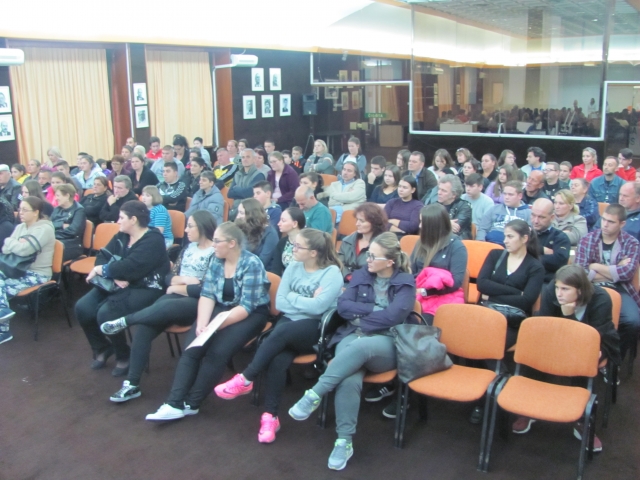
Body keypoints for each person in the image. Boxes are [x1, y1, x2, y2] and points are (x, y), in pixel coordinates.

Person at [287, 232, 415, 469]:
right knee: (348, 378)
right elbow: (343, 306)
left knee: (361, 346)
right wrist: (373, 310)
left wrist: (362, 318)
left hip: (387, 343)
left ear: (390, 261)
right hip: (352, 334)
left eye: (373, 256)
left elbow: (394, 317)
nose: (367, 260)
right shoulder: (362, 274)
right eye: (368, 254)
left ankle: (314, 393)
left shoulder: (405, 283)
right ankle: (344, 441)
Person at [214, 229, 344, 443]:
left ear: (313, 253)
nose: (292, 249)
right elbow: (281, 303)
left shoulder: (331, 273)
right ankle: (270, 417)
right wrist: (306, 301)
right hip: (289, 321)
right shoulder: (293, 267)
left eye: (298, 246)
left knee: (280, 332)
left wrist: (294, 297)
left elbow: (318, 308)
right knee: (278, 358)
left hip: (315, 327)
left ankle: (246, 378)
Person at [145, 222, 270, 421]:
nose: (213, 245)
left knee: (217, 352)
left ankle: (192, 403)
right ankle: (173, 403)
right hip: (222, 306)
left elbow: (246, 306)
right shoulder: (216, 259)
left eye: (217, 241)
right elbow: (208, 294)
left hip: (251, 313)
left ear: (232, 243)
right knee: (192, 348)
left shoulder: (251, 263)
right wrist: (203, 323)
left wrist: (214, 327)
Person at [100, 211, 217, 403]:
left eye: (190, 226)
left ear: (203, 228)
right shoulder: (188, 249)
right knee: (145, 326)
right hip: (174, 296)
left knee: (165, 307)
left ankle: (126, 321)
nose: (185, 230)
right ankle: (132, 384)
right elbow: (168, 278)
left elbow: (205, 288)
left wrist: (176, 287)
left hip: (198, 303)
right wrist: (184, 280)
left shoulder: (215, 252)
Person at [512, 264, 620, 450]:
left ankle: (583, 420)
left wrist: (570, 316)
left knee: (584, 361)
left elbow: (593, 336)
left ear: (580, 290)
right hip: (556, 337)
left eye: (565, 289)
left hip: (595, 340)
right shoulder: (551, 292)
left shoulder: (601, 298)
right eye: (557, 287)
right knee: (535, 352)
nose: (559, 293)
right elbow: (544, 325)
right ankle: (529, 408)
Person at [76, 201, 170, 376]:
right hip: (118, 283)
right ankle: (102, 348)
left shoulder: (153, 240)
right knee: (83, 307)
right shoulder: (122, 234)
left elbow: (132, 267)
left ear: (133, 220)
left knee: (106, 314)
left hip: (146, 288)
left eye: (121, 217)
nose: (118, 221)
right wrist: (113, 274)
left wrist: (106, 270)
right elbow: (102, 257)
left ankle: (123, 354)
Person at [575, 204, 640, 362]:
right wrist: (615, 269)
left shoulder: (632, 243)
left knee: (632, 322)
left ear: (622, 224)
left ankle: (614, 360)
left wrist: (595, 266)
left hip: (621, 288)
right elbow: (581, 273)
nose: (605, 224)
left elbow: (627, 273)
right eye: (603, 219)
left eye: (611, 222)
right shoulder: (587, 239)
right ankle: (582, 357)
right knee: (581, 317)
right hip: (590, 288)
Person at [477, 219, 545, 348]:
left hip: (513, 320)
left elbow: (526, 301)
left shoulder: (535, 267)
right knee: (469, 338)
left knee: (491, 343)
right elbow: (482, 284)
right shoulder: (495, 255)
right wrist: (516, 292)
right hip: (487, 312)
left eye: (510, 237)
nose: (505, 241)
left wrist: (490, 296)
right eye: (505, 236)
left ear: (524, 239)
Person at [0, 197, 56, 343]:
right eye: (20, 209)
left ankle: (3, 329)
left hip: (38, 274)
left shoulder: (44, 229)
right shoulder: (20, 227)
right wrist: (13, 242)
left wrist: (12, 243)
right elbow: (5, 248)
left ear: (36, 212)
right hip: (17, 270)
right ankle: (2, 315)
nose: (20, 212)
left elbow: (25, 250)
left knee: (2, 288)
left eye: (25, 210)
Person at [339, 203, 387, 281]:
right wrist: (349, 277)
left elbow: (382, 270)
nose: (357, 224)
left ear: (374, 223)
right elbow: (339, 263)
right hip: (346, 281)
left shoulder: (383, 244)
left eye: (362, 221)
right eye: (357, 220)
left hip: (371, 283)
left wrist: (357, 280)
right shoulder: (347, 240)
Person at [476, 181, 532, 245]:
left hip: (513, 246)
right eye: (505, 194)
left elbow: (528, 235)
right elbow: (482, 229)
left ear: (520, 196)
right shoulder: (494, 209)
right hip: (490, 243)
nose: (506, 197)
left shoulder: (528, 213)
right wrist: (481, 243)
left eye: (510, 194)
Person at [530, 198, 570, 282]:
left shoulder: (560, 237)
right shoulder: (524, 233)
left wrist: (529, 257)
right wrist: (542, 250)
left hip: (546, 281)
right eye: (533, 215)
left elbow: (559, 261)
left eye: (541, 217)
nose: (536, 221)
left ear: (552, 217)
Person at [235, 198, 279, 268]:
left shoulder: (270, 234)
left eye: (241, 213)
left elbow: (262, 261)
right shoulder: (242, 228)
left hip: (258, 270)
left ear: (252, 215)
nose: (237, 217)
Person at [50, 184, 86, 261]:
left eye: (58, 195)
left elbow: (73, 231)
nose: (55, 198)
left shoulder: (79, 210)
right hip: (56, 239)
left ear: (67, 196)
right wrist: (61, 225)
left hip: (72, 244)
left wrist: (54, 233)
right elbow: (49, 225)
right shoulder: (57, 209)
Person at [228, 149, 266, 219]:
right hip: (236, 210)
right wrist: (243, 192)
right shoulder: (237, 174)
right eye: (243, 157)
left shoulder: (259, 175)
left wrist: (237, 189)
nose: (245, 159)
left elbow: (250, 193)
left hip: (250, 212)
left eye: (248, 157)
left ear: (254, 159)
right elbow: (230, 193)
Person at [268, 207, 305, 276]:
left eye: (283, 221)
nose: (279, 223)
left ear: (294, 224)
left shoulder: (308, 242)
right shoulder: (282, 242)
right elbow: (276, 269)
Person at [436, 174, 472, 240]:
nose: (439, 192)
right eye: (439, 189)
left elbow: (456, 227)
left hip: (458, 241)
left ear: (454, 194)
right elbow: (425, 223)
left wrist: (437, 223)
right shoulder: (435, 205)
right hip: (437, 241)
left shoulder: (465, 206)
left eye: (443, 190)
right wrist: (447, 223)